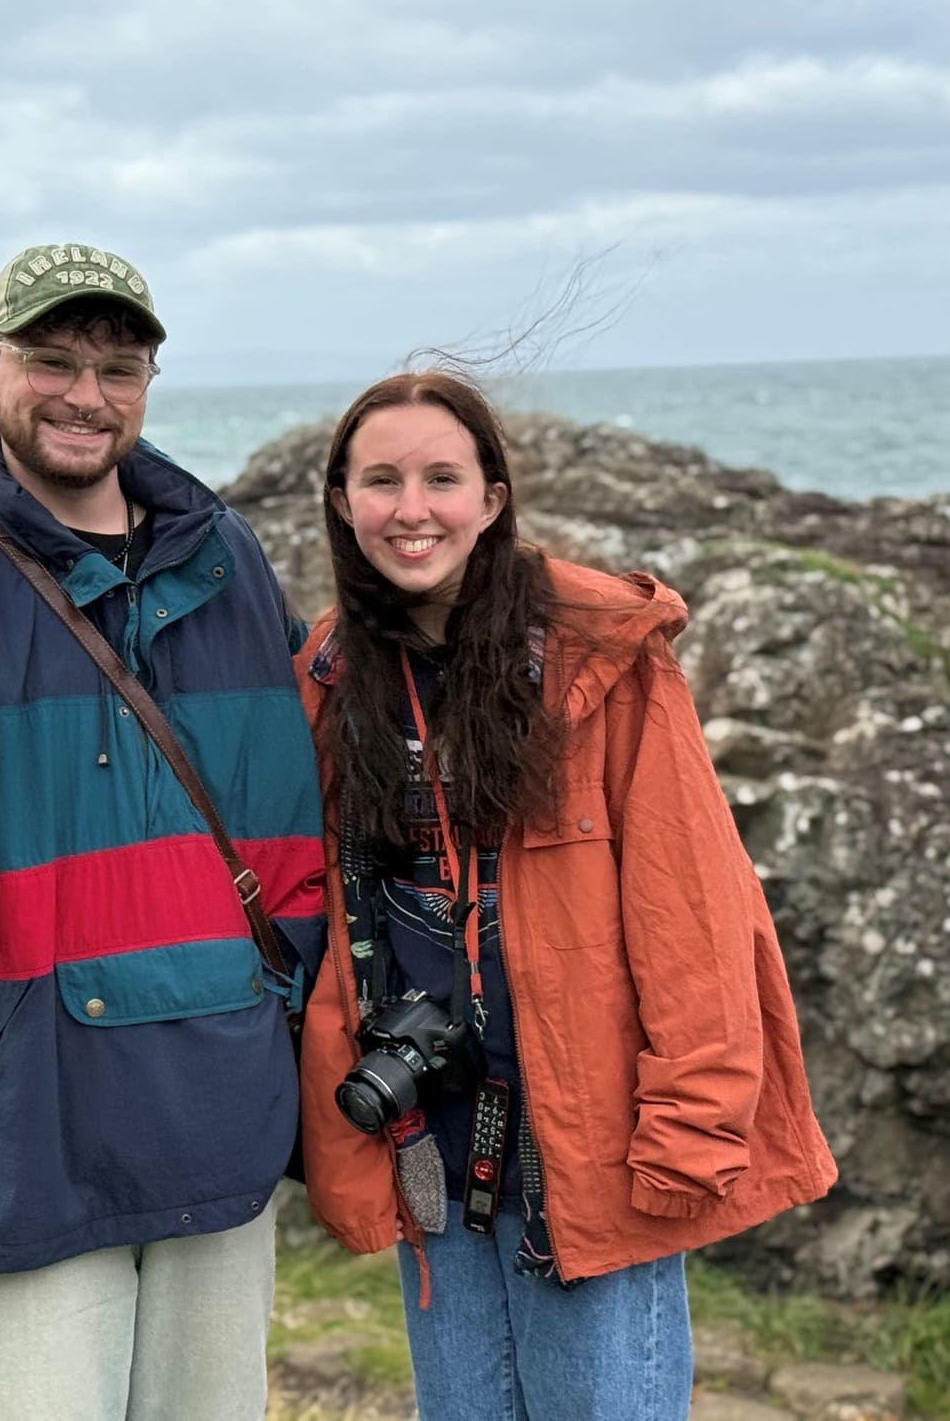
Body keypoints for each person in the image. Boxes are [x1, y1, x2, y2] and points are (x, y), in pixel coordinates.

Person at [0, 244, 325, 1421]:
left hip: (218, 1105)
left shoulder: (229, 562)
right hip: (20, 1120)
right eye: (51, 360)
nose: (86, 393)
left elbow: (299, 823)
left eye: (117, 366)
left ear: (146, 385)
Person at [292, 370, 839, 1421]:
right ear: (341, 502)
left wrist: (692, 1125)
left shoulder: (601, 656)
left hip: (589, 1142)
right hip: (428, 1141)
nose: (412, 510)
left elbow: (695, 907)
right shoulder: (333, 673)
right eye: (382, 481)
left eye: (443, 478)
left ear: (492, 499)